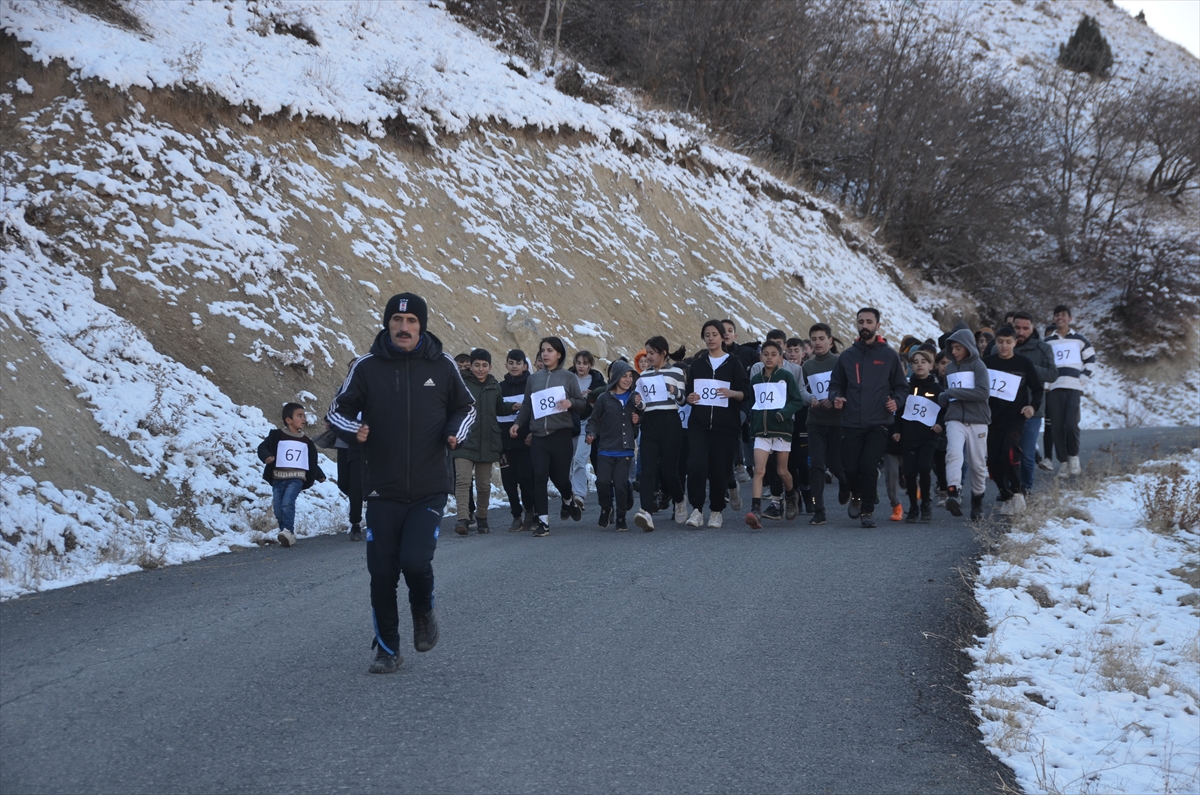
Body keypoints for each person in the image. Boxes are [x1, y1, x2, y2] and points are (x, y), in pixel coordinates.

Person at [327, 292, 475, 674]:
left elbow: (466, 407)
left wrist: (454, 431)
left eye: (411, 322)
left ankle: (423, 609)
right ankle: (387, 648)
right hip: (381, 486)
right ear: (387, 323)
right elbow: (336, 411)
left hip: (429, 484)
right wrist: (354, 429)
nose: (403, 327)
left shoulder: (441, 365)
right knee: (382, 572)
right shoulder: (366, 367)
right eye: (397, 320)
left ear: (421, 325)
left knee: (414, 561)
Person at [828, 308, 908, 528]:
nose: (865, 325)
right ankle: (857, 494)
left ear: (877, 325)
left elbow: (901, 387)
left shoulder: (889, 355)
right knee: (850, 467)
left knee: (869, 466)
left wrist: (896, 401)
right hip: (852, 420)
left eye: (869, 322)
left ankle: (867, 510)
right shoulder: (847, 356)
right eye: (861, 322)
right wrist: (836, 397)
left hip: (879, 421)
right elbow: (835, 385)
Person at [510, 336, 588, 537]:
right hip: (539, 436)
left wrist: (570, 402)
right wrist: (518, 424)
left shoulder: (568, 378)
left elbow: (581, 404)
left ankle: (567, 498)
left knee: (561, 478)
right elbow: (527, 406)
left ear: (559, 354)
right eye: (543, 350)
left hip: (560, 435)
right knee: (539, 476)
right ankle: (543, 521)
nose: (545, 354)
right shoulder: (533, 379)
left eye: (550, 350)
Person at [684, 319, 750, 528]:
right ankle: (696, 510)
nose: (710, 338)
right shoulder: (697, 364)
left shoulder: (733, 363)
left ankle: (716, 511)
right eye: (707, 335)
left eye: (714, 334)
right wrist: (690, 398)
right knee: (696, 465)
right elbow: (688, 392)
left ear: (723, 336)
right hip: (699, 425)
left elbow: (745, 393)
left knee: (719, 468)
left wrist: (732, 393)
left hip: (724, 426)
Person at [983, 326, 1044, 515]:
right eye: (1000, 342)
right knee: (993, 462)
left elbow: (1038, 389)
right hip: (992, 419)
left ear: (1015, 342)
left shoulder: (1024, 363)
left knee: (1008, 454)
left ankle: (1018, 492)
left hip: (1015, 419)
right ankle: (1006, 495)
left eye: (1008, 342)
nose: (1004, 346)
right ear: (996, 342)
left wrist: (1032, 406)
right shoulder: (987, 363)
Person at [744, 341, 803, 528]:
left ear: (780, 357)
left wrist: (783, 413)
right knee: (759, 470)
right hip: (761, 432)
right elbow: (753, 403)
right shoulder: (755, 380)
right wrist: (753, 421)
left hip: (781, 430)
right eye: (765, 354)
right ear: (760, 357)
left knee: (782, 471)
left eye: (773, 354)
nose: (769, 358)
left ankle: (792, 495)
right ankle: (756, 510)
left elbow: (797, 401)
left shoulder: (785, 377)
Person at [633, 336, 688, 531]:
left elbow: (682, 401)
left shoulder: (676, 371)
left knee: (668, 471)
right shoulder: (644, 376)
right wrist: (639, 404)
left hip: (670, 421)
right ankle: (646, 511)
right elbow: (643, 403)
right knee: (647, 469)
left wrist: (674, 390)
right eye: (647, 353)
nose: (648, 357)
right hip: (649, 422)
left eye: (651, 353)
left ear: (663, 353)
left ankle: (680, 499)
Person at [257, 402, 328, 547]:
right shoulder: (276, 436)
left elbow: (310, 461)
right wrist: (267, 456)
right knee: (278, 507)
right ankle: (285, 533)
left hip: (297, 478)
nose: (304, 419)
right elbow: (262, 447)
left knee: (288, 503)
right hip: (278, 477)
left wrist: (318, 473)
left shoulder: (306, 441)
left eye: (304, 416)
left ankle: (288, 531)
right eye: (299, 415)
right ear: (288, 420)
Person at [938, 328, 991, 520]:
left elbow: (983, 393)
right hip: (954, 419)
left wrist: (953, 393)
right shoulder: (950, 367)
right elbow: (947, 391)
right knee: (953, 454)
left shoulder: (979, 366)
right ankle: (953, 491)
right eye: (952, 348)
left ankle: (977, 500)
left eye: (958, 347)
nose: (954, 351)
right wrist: (943, 398)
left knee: (977, 464)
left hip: (978, 420)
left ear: (968, 347)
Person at [452, 349, 505, 535]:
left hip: (488, 441)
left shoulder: (495, 386)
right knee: (462, 481)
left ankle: (482, 518)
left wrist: (515, 406)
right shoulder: (460, 384)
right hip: (464, 440)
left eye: (484, 365)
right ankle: (463, 519)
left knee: (484, 486)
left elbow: (499, 408)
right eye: (476, 365)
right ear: (471, 365)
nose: (480, 369)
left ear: (490, 367)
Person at [801, 323, 848, 526]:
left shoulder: (839, 363)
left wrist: (836, 398)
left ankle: (845, 484)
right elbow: (802, 390)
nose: (817, 342)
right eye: (814, 339)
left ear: (830, 340)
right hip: (815, 421)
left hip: (837, 421)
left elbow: (849, 388)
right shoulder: (807, 366)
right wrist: (811, 399)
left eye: (821, 338)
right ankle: (819, 509)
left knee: (837, 465)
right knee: (816, 465)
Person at [587, 360, 642, 531]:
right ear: (616, 377)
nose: (628, 380)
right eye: (624, 376)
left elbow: (644, 418)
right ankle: (606, 507)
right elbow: (593, 420)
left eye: (630, 377)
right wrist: (590, 433)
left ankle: (621, 517)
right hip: (605, 448)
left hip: (625, 449)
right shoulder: (604, 398)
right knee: (602, 482)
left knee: (620, 485)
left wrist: (638, 419)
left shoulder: (635, 398)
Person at [1044, 305, 1095, 478]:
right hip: (1054, 388)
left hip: (1073, 387)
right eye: (1057, 315)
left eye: (1063, 315)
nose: (1060, 318)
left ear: (1070, 318)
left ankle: (1073, 456)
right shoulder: (1048, 342)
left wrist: (1083, 377)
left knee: (1071, 424)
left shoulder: (1079, 339)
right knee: (1057, 426)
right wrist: (1046, 384)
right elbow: (1043, 364)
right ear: (1053, 319)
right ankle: (1063, 462)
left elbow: (1090, 358)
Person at [893, 349, 944, 523]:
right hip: (909, 436)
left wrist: (940, 424)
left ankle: (926, 504)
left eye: (924, 361)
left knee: (924, 467)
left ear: (931, 365)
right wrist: (897, 430)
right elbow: (899, 411)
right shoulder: (905, 388)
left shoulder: (937, 389)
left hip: (928, 436)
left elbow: (944, 411)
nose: (919, 364)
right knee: (909, 472)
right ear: (911, 366)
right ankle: (914, 506)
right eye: (915, 361)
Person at [1011, 312, 1058, 492]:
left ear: (1032, 328)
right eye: (1017, 328)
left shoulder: (1042, 348)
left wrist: (1027, 367)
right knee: (1007, 452)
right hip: (1006, 409)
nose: (1021, 332)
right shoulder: (1004, 346)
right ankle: (1010, 488)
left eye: (1025, 328)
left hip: (1033, 407)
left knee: (1028, 453)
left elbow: (1052, 374)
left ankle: (1025, 488)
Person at [498, 350, 535, 531]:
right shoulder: (499, 388)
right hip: (504, 443)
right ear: (506, 365)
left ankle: (530, 510)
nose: (514, 366)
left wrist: (532, 433)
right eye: (511, 363)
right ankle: (516, 515)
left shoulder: (531, 386)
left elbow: (536, 413)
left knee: (525, 477)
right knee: (508, 481)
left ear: (525, 366)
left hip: (525, 442)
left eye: (518, 363)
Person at [568, 351, 605, 513]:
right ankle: (573, 493)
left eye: (585, 363)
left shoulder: (597, 382)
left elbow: (602, 401)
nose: (581, 366)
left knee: (580, 458)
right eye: (578, 362)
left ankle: (580, 494)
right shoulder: (568, 378)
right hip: (570, 423)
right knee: (569, 460)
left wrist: (590, 398)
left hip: (588, 425)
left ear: (590, 365)